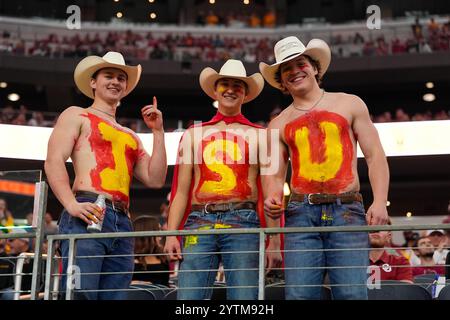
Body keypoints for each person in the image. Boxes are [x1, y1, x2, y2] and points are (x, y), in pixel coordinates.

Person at [259, 36, 389, 300]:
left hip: (347, 209)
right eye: (287, 69)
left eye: (301, 63)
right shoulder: (277, 124)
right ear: (282, 82)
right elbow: (273, 174)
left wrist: (380, 201)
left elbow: (375, 156)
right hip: (300, 214)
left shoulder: (350, 103)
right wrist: (272, 204)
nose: (295, 71)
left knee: (352, 295)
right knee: (298, 296)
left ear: (315, 68)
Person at [44, 51, 167, 300]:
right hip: (87, 208)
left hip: (122, 220)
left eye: (121, 78)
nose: (115, 81)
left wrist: (159, 132)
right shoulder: (76, 114)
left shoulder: (130, 135)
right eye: (108, 76)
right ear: (93, 82)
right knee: (81, 294)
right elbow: (54, 160)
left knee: (116, 297)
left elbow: (155, 179)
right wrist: (70, 204)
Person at [164, 59, 273, 300]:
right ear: (215, 90)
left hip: (244, 220)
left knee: (244, 300)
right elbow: (180, 191)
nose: (231, 89)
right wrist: (171, 233)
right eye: (225, 83)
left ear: (246, 94)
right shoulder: (193, 133)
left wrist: (274, 240)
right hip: (199, 220)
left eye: (238, 85)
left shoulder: (263, 135)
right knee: (189, 300)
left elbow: (270, 193)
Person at [132, 215, 170, 287]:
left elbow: (165, 285)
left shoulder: (163, 258)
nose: (161, 236)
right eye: (158, 230)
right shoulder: (128, 260)